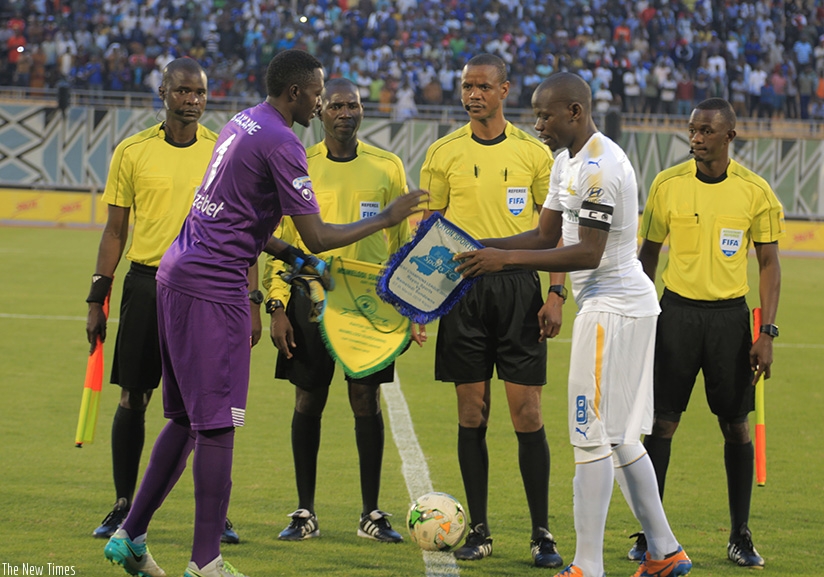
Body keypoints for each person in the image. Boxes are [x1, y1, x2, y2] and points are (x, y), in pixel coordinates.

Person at [101, 49, 425, 577]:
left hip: (177, 275)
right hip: (213, 289)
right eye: (317, 93)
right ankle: (205, 561)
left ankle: (130, 535)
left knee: (184, 420)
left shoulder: (243, 121)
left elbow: (233, 213)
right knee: (217, 427)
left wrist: (287, 254)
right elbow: (319, 234)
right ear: (295, 92)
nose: (320, 102)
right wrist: (386, 218)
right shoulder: (283, 142)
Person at [454, 72, 692, 577]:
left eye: (546, 115)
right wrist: (485, 248)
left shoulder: (600, 169)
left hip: (612, 309)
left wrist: (504, 260)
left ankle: (587, 565)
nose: (538, 124)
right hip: (620, 307)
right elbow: (545, 235)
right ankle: (665, 551)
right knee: (620, 439)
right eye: (536, 115)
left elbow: (587, 252)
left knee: (589, 436)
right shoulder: (567, 161)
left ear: (575, 113)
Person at [85, 57, 242, 547]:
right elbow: (115, 231)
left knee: (207, 408)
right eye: (182, 91)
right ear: (163, 93)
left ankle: (216, 514)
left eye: (199, 92)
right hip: (147, 284)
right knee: (134, 397)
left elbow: (240, 227)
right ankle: (123, 504)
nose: (192, 100)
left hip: (207, 289)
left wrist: (253, 299)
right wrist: (97, 296)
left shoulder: (222, 149)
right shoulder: (132, 151)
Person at [418, 53, 565, 568]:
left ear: (505, 89)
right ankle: (479, 529)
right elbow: (429, 233)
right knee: (471, 412)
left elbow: (554, 233)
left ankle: (541, 532)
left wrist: (556, 293)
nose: (473, 95)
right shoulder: (442, 153)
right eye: (467, 86)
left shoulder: (534, 153)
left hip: (520, 288)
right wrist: (419, 301)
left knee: (528, 413)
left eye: (483, 86)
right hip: (464, 292)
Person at [262, 78, 419, 543]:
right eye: (335, 106)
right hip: (309, 300)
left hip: (368, 307)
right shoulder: (299, 162)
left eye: (352, 105)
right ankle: (304, 511)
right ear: (321, 110)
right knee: (307, 400)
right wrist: (276, 305)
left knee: (365, 401)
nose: (345, 113)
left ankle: (371, 513)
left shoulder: (387, 166)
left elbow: (402, 245)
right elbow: (281, 240)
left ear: (362, 110)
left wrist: (409, 309)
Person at [631, 97, 783, 569]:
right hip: (675, 314)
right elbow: (648, 254)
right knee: (661, 423)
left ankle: (740, 534)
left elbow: (769, 263)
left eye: (706, 131)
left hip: (730, 321)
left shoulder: (755, 191)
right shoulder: (667, 184)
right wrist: (641, 315)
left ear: (729, 136)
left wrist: (767, 332)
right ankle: (652, 533)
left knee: (736, 426)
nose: (695, 138)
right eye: (692, 130)